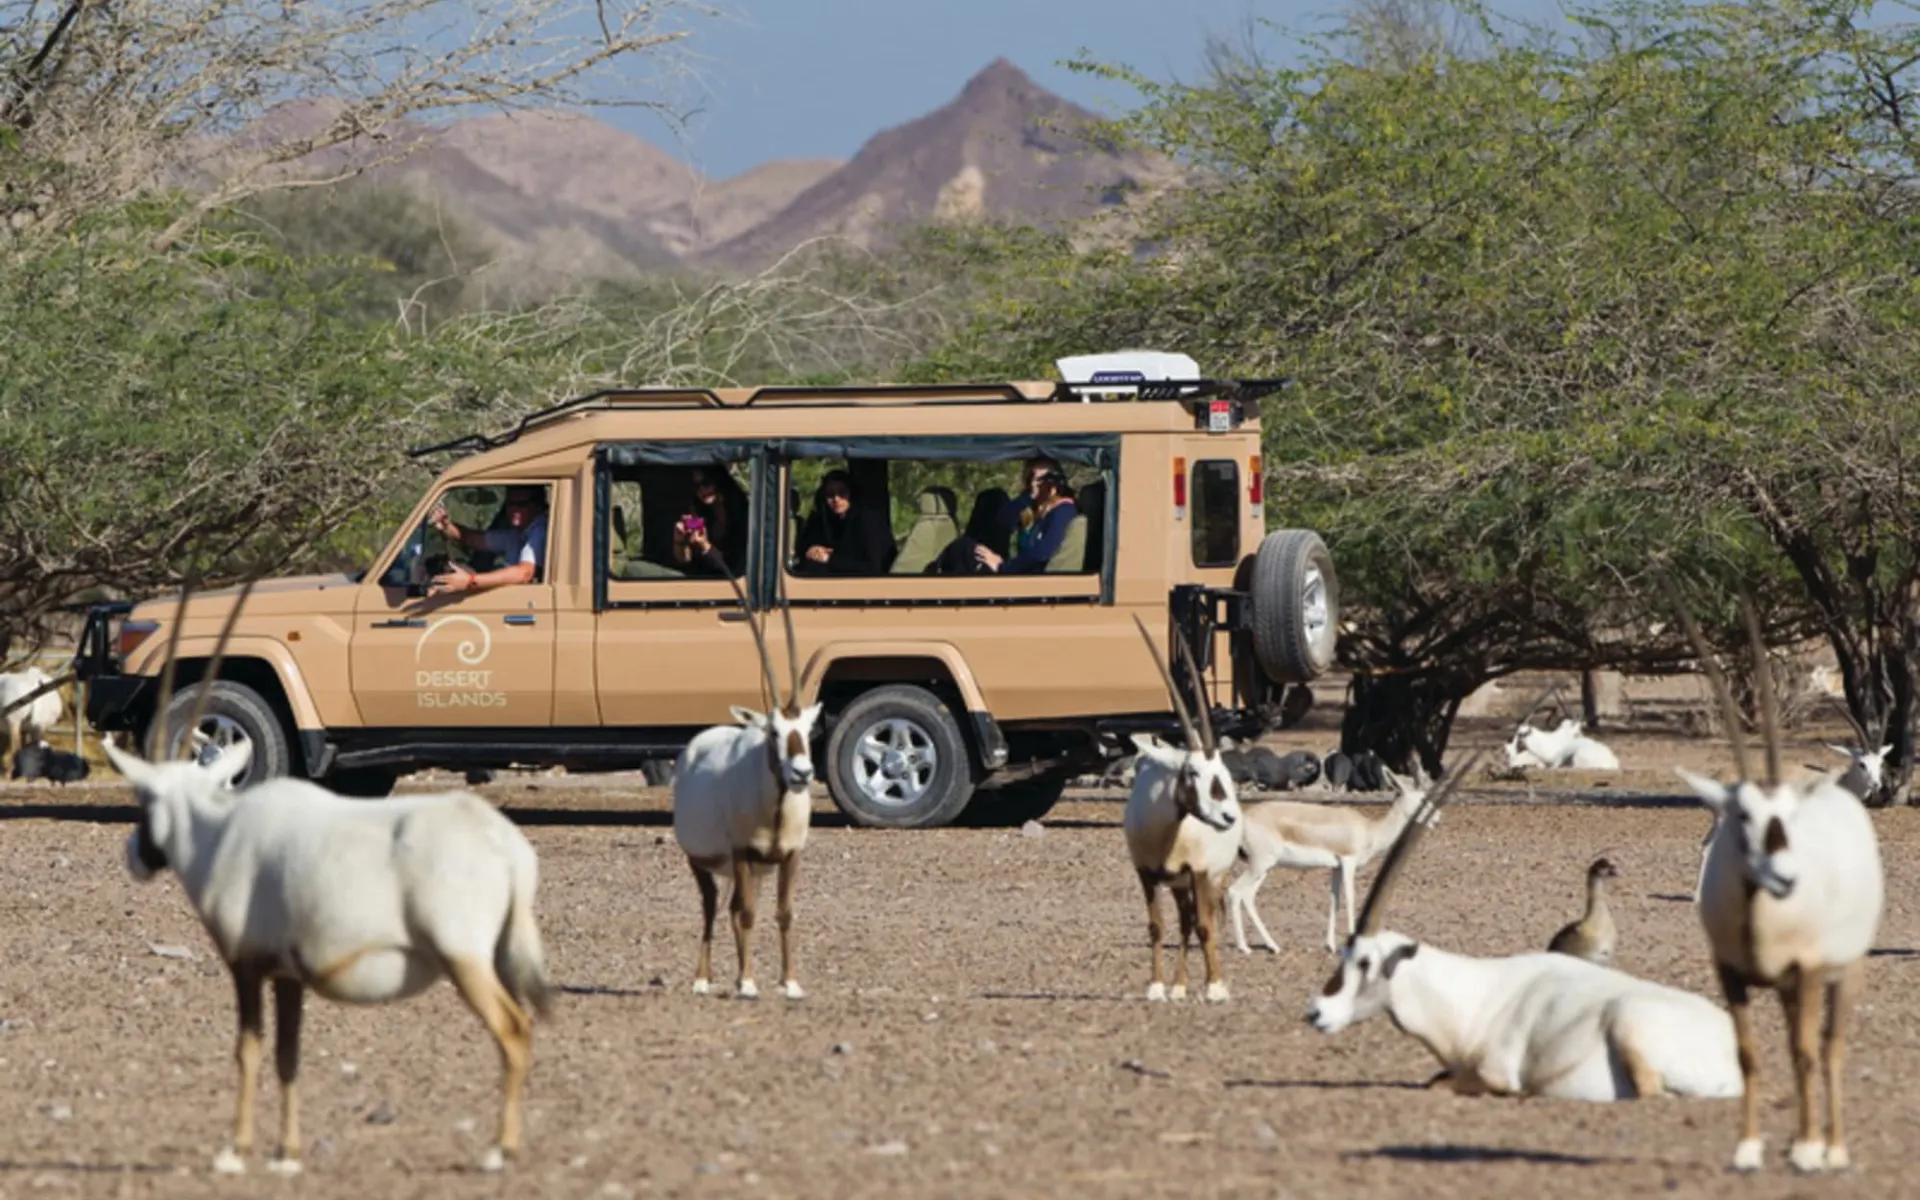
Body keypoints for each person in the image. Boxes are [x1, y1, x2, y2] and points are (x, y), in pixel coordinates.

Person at [932, 466, 1079, 575]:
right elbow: (1002, 520)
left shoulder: (1062, 512)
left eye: (1042, 480)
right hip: (1020, 572)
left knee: (967, 548)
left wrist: (1003, 567)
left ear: (1055, 485)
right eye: (1033, 479)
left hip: (1029, 581)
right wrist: (1027, 498)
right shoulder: (1033, 511)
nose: (1036, 485)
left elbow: (1041, 554)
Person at [428, 484, 549, 596]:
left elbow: (524, 574)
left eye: (521, 504)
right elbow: (471, 538)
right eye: (510, 504)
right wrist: (446, 525)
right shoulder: (516, 535)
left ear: (537, 506)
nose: (514, 510)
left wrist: (471, 581)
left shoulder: (539, 531)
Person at [795, 469, 896, 576]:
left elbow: (872, 567)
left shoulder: (867, 521)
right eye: (830, 494)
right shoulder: (824, 521)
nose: (836, 499)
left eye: (842, 493)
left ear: (851, 494)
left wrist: (830, 559)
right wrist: (814, 551)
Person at [672, 464, 751, 576]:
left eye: (706, 483)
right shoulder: (698, 510)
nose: (702, 490)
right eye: (696, 486)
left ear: (718, 481)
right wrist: (681, 541)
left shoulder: (741, 511)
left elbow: (730, 568)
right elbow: (685, 561)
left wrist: (705, 545)